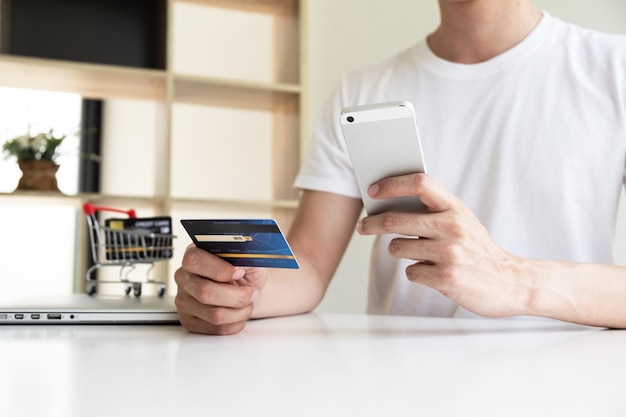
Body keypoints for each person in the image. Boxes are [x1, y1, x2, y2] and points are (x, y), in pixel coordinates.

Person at [174, 0, 626, 335]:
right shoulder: (364, 88)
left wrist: (514, 279)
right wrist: (241, 290)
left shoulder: (614, 67)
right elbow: (308, 263)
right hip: (404, 383)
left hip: (568, 383)